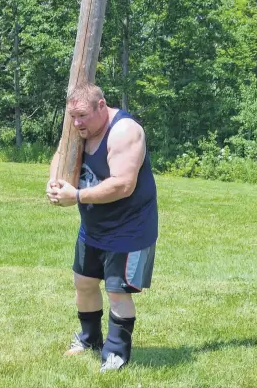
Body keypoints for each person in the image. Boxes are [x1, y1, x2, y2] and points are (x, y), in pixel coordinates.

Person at [46, 82, 158, 373]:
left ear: (101, 105)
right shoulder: (80, 129)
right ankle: (88, 339)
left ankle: (116, 353)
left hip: (129, 229)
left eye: (82, 115)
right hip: (94, 227)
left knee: (117, 292)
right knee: (83, 282)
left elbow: (123, 184)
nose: (77, 123)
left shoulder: (125, 131)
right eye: (73, 117)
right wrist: (54, 180)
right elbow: (61, 153)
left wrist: (78, 196)